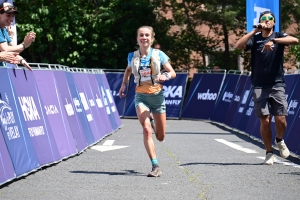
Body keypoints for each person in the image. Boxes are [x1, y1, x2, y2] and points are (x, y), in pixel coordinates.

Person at [236, 11, 299, 165]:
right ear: (260, 22)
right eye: (263, 19)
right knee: (265, 120)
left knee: (281, 119)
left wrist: (275, 41)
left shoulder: (279, 35)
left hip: (277, 84)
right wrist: (254, 31)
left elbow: (295, 40)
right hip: (259, 85)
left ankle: (279, 140)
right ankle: (269, 152)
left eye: (270, 19)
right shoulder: (255, 39)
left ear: (274, 22)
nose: (267, 21)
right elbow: (238, 45)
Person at [119, 26, 176, 177]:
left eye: (147, 35)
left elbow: (172, 72)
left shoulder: (159, 54)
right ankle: (155, 166)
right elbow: (129, 70)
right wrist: (124, 84)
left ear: (152, 38)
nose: (144, 37)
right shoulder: (132, 56)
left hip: (157, 97)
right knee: (145, 130)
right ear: (137, 38)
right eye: (141, 35)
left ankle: (153, 122)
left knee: (160, 136)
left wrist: (166, 76)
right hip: (141, 97)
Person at [0, 2, 36, 71]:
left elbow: (13, 48)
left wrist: (21, 60)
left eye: (13, 16)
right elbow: (5, 49)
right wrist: (24, 44)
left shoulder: (3, 29)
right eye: (8, 15)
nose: (11, 19)